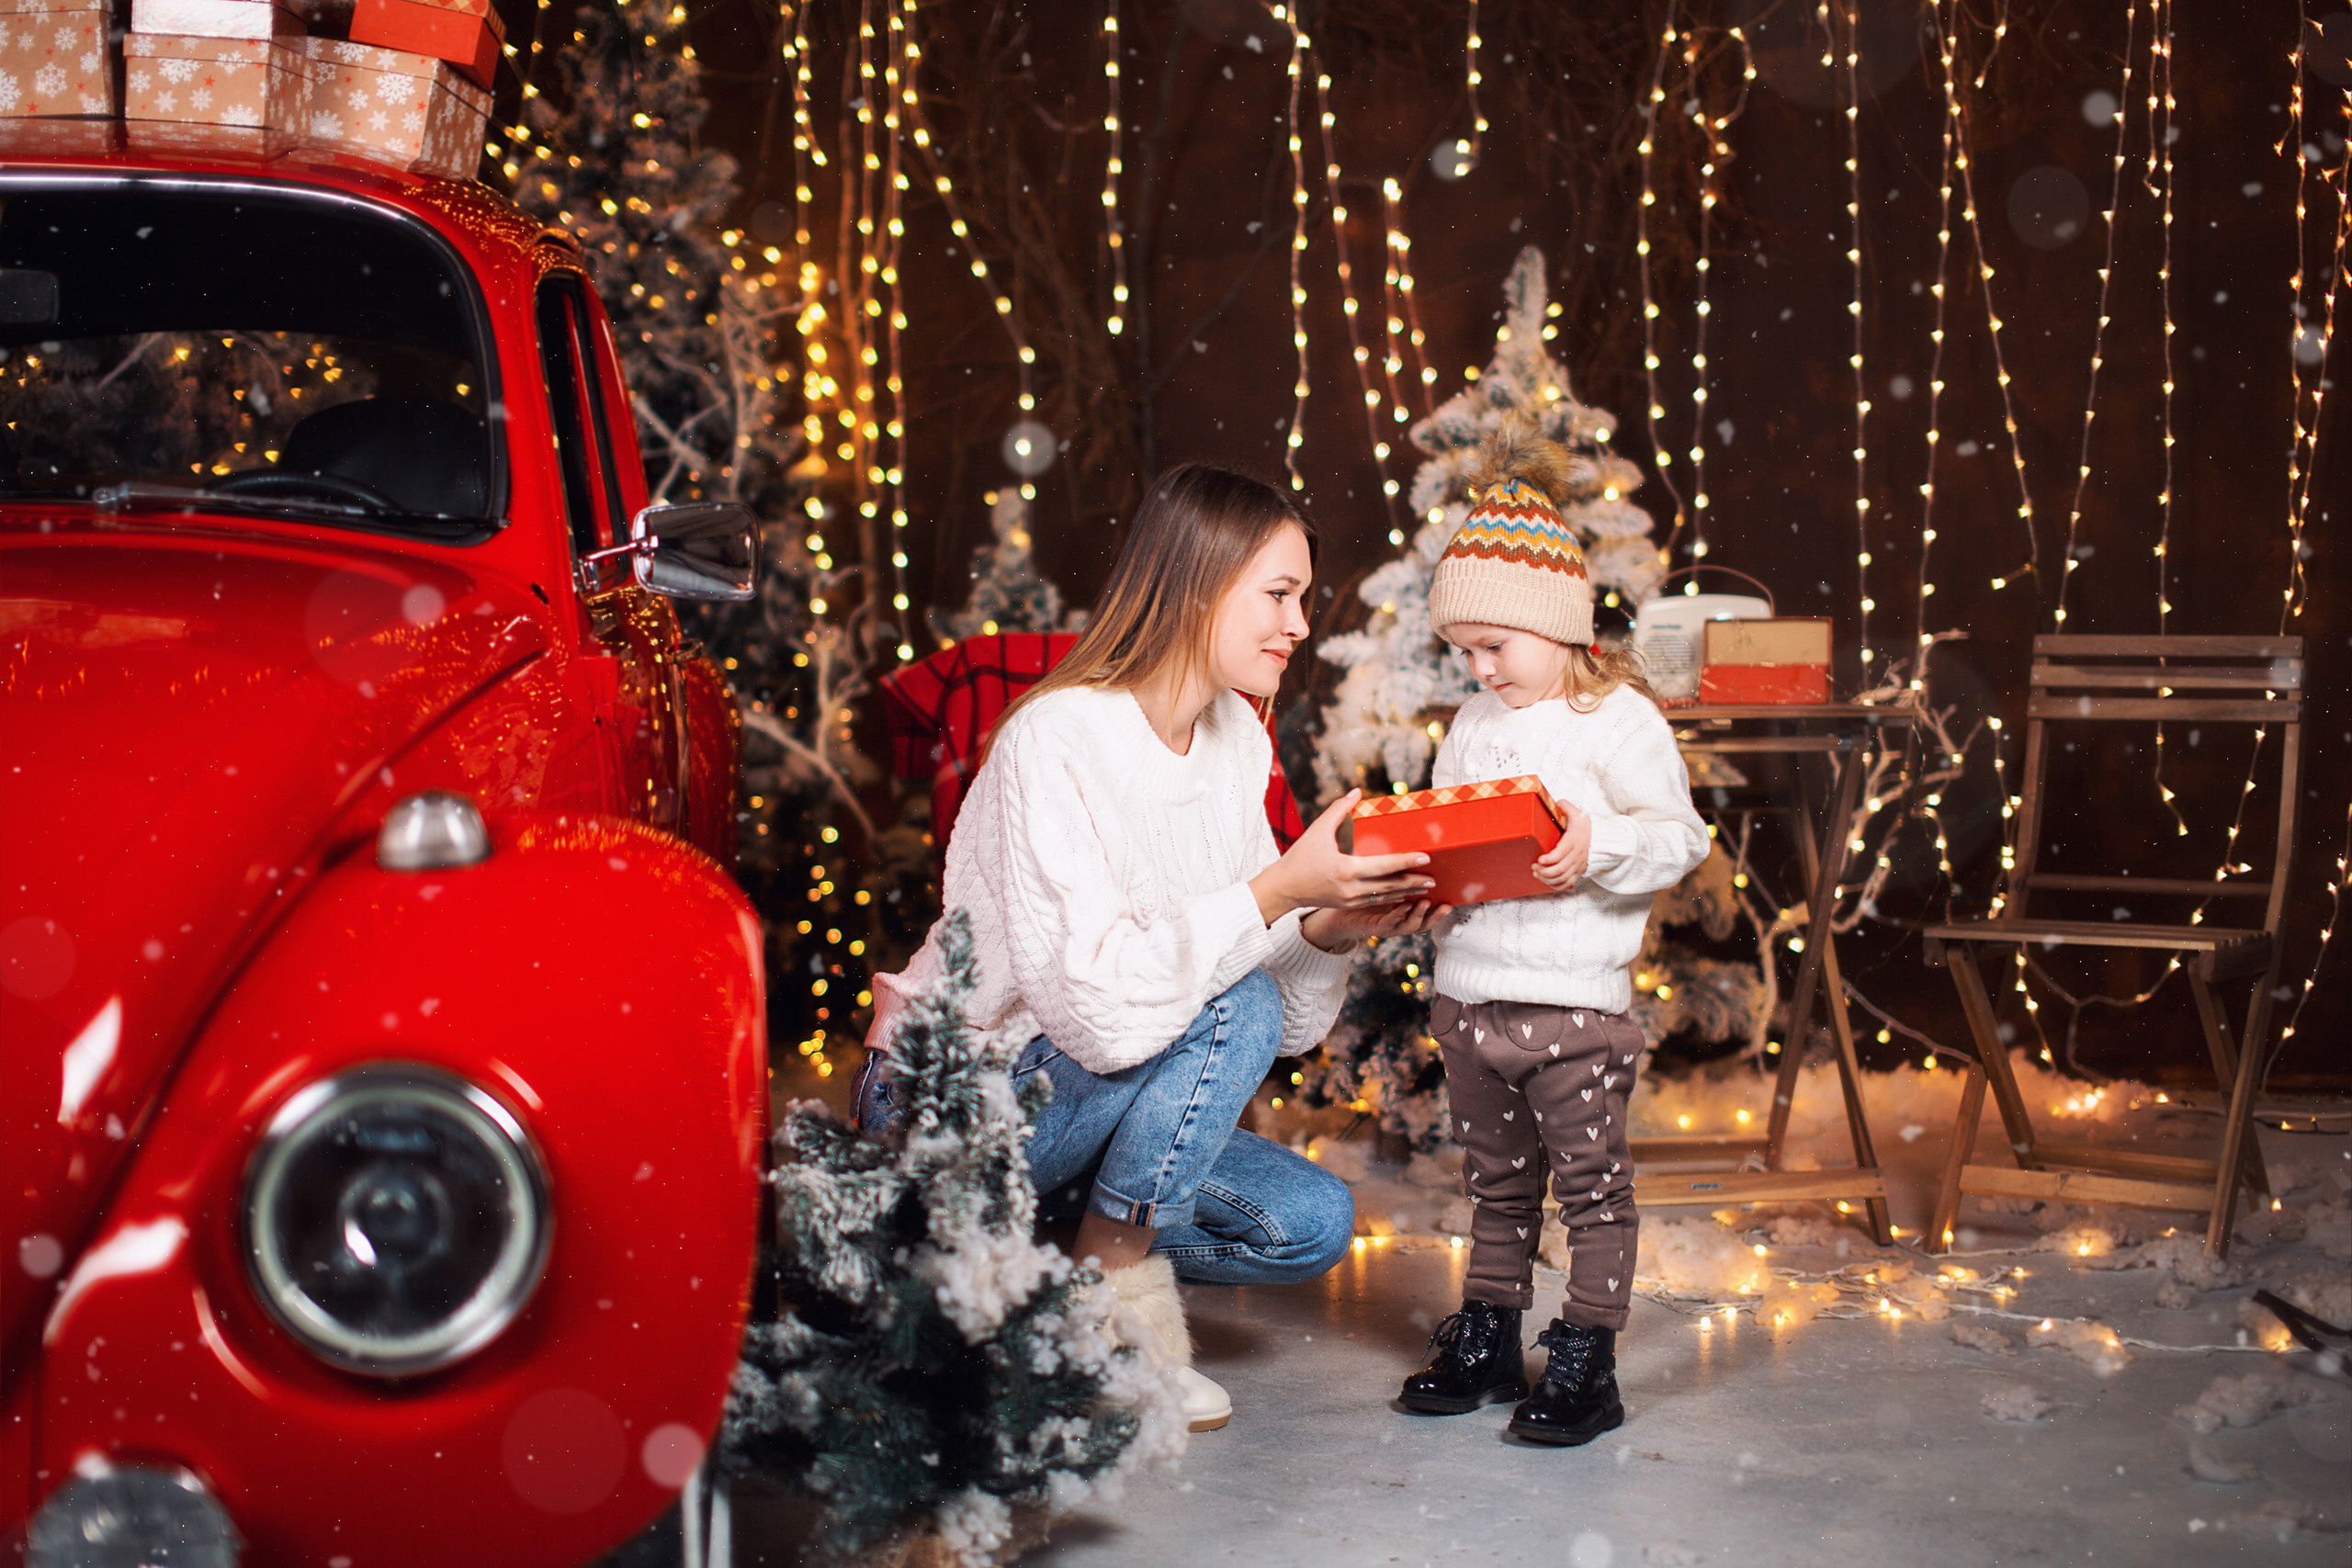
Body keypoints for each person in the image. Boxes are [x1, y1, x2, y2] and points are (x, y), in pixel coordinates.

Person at [857, 462, 1448, 1432]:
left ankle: (1022, 1263)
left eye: (1302, 598)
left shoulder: (1235, 740)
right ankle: (1101, 1291)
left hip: (1093, 1097)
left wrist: (1330, 927)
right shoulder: (1056, 738)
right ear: (1193, 583)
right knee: (1230, 1004)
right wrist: (1273, 894)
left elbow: (1283, 1018)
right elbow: (1095, 1014)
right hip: (959, 1096)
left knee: (1308, 1226)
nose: (1298, 625)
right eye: (1279, 595)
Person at [1395, 415, 1709, 1446]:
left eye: (1494, 644)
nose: (1478, 668)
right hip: (1474, 997)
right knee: (1494, 1183)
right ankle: (1489, 1329)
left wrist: (1598, 844)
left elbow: (1679, 839)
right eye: (1463, 650)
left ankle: (1588, 1352)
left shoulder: (1618, 721)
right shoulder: (1473, 726)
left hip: (1575, 1006)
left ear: (1561, 625)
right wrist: (1426, 882)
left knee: (1589, 1188)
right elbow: (1457, 845)